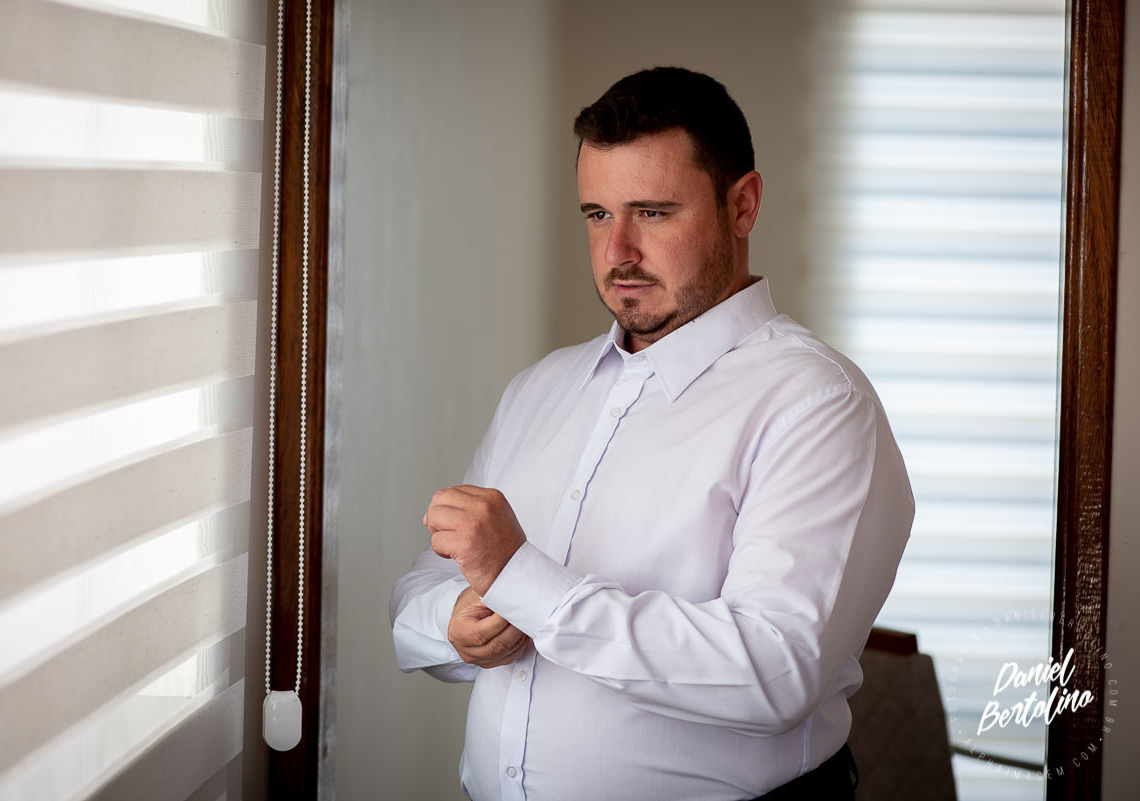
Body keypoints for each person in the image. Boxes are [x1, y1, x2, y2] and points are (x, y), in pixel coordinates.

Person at [389, 66, 914, 801]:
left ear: (743, 204)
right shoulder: (539, 389)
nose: (618, 251)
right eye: (598, 215)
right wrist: (451, 625)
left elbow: (773, 670)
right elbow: (419, 592)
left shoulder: (819, 405)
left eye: (654, 213)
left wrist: (528, 585)